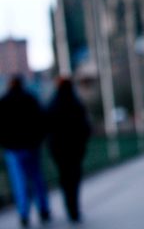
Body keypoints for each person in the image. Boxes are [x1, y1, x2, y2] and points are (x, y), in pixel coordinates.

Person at [0, 75, 50, 227]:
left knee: (19, 182)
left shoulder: (4, 101)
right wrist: (37, 141)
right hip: (32, 147)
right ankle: (43, 209)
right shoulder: (30, 99)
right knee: (37, 179)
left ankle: (24, 214)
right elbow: (42, 122)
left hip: (13, 150)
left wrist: (7, 144)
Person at [46, 78, 91, 224]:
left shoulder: (53, 104)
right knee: (75, 178)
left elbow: (46, 127)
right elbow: (86, 127)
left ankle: (69, 206)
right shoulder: (76, 104)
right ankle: (74, 208)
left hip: (59, 150)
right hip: (75, 149)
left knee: (64, 178)